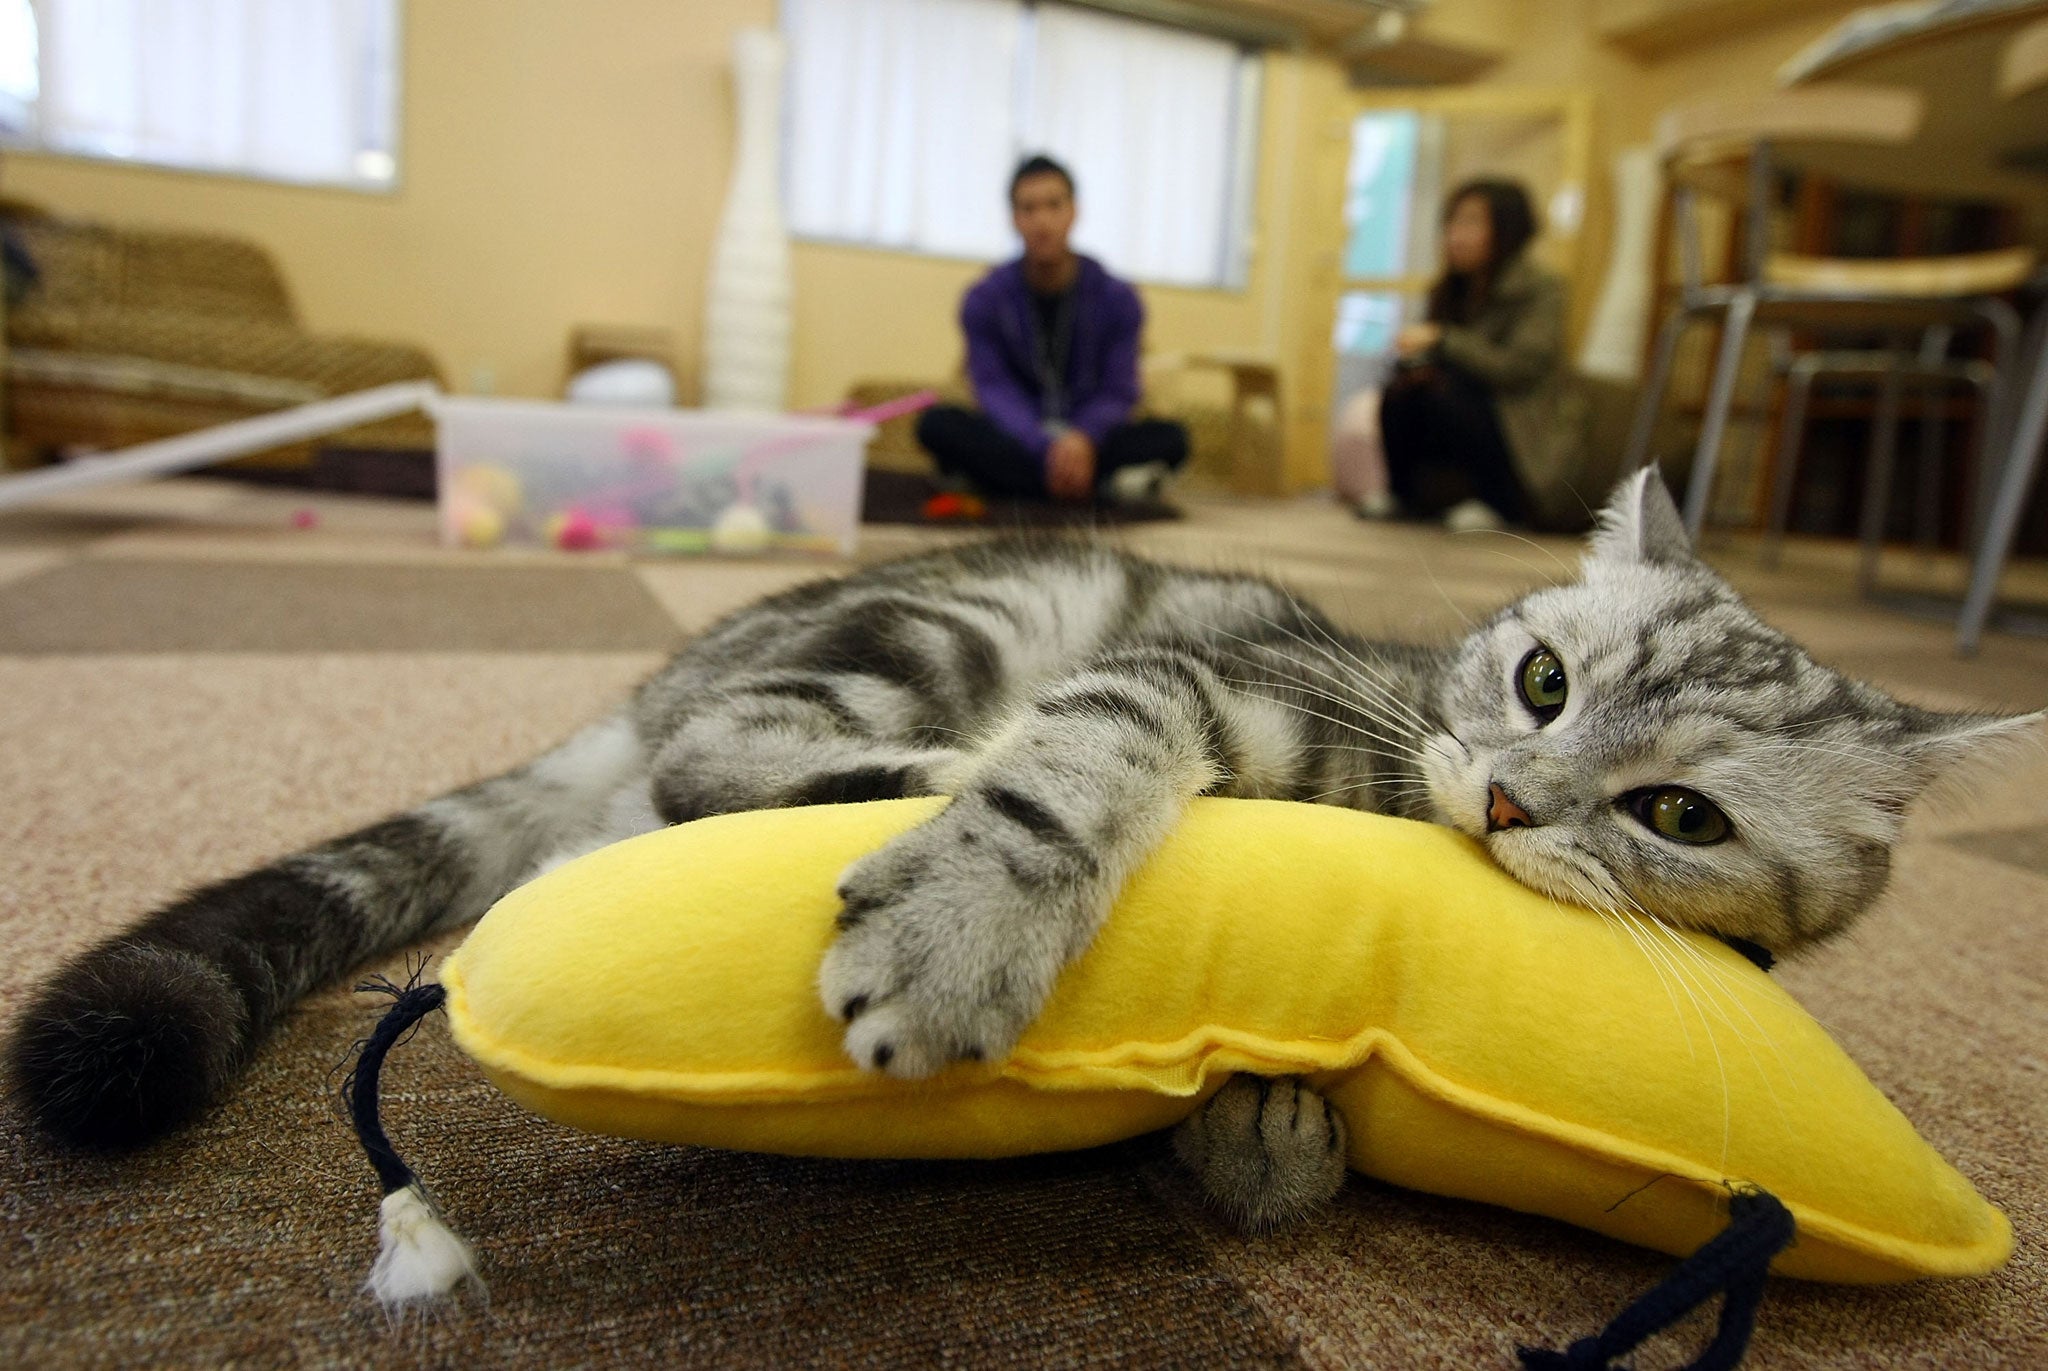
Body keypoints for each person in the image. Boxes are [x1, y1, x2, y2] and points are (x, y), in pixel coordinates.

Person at [916, 155, 1188, 504]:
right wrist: (1045, 446)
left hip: (1088, 437)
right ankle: (1094, 484)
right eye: (1028, 208)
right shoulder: (984, 299)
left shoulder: (1118, 298)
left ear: (1074, 211)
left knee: (1173, 437)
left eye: (1054, 205)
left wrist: (1083, 438)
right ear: (1014, 219)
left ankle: (1013, 483)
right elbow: (992, 388)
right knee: (936, 425)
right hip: (1020, 436)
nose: (1042, 220)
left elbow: (1119, 390)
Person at [1370, 178, 1578, 531]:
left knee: (1446, 395)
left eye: (1470, 222)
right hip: (1462, 412)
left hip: (1519, 423)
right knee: (1402, 389)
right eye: (1452, 222)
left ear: (1507, 229)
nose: (1454, 234)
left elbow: (1517, 369)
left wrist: (1443, 340)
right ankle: (1404, 495)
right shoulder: (1450, 289)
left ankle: (1498, 504)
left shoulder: (1541, 289)